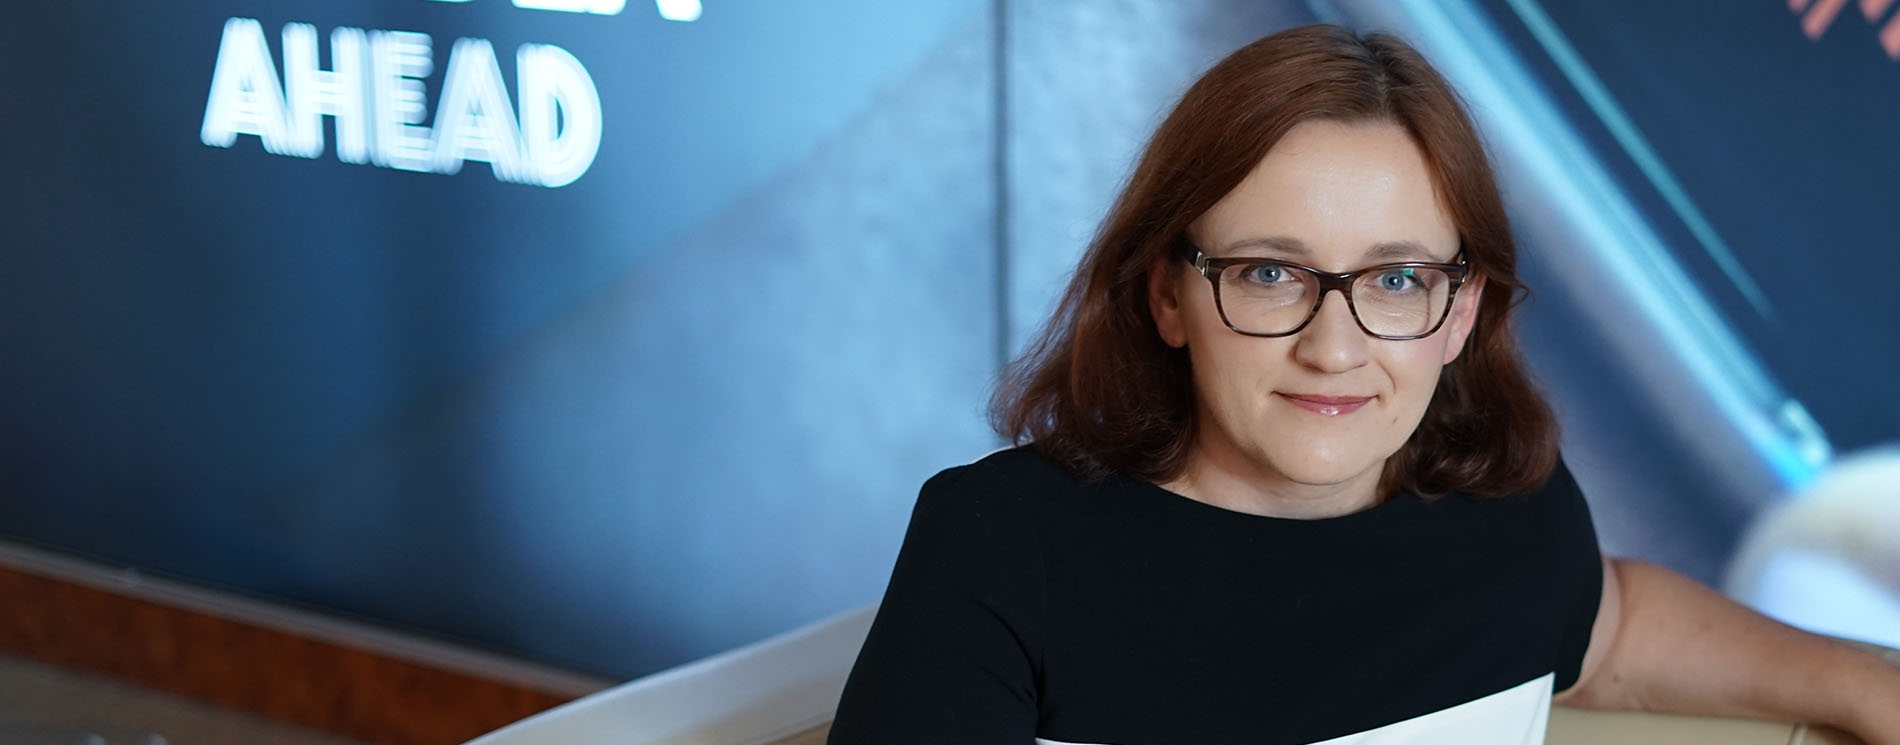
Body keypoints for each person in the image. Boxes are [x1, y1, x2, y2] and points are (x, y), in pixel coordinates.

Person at [827, 23, 1900, 745]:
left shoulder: (1507, 518)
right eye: (1269, 273)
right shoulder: (1003, 546)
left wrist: (1867, 683)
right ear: (1167, 295)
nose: (1333, 347)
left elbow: (1606, 627)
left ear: (1461, 310)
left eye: (1395, 279)